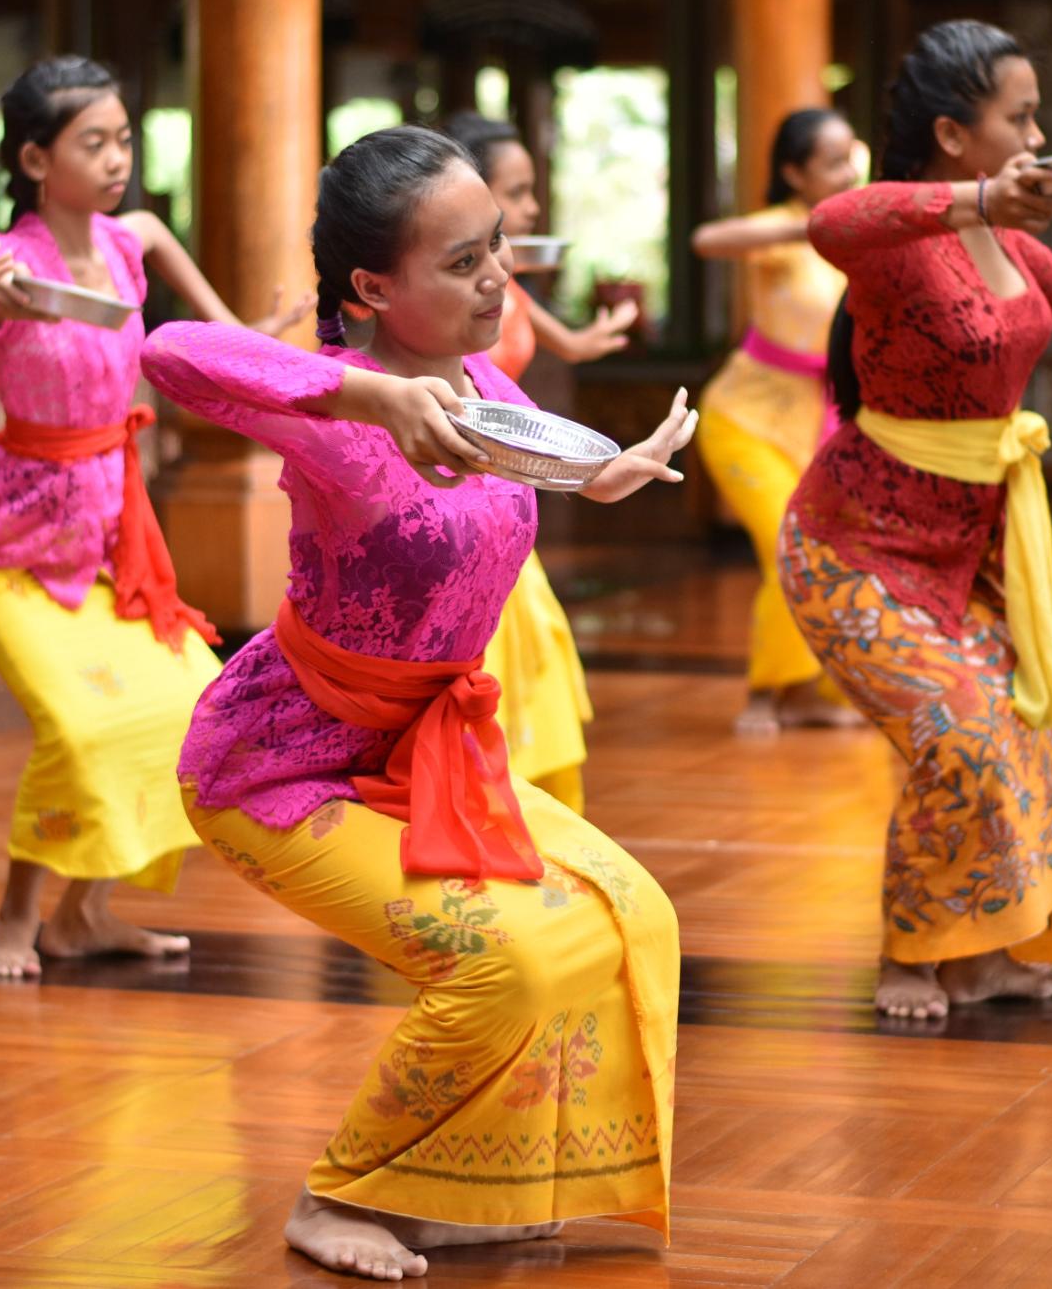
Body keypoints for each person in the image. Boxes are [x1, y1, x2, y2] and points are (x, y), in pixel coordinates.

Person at [141, 125, 691, 1280]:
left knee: (633, 911)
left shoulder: (488, 383)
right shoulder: (339, 422)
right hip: (280, 769)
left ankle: (473, 1185)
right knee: (508, 962)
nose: (499, 278)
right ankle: (337, 1193)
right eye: (462, 263)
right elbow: (176, 351)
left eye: (497, 247)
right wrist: (368, 393)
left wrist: (603, 470)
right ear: (372, 289)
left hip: (418, 750)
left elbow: (525, 466)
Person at [781, 20, 1052, 1021]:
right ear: (954, 136)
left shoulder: (1003, 234)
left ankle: (993, 948)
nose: (1041, 131)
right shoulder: (895, 241)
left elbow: (1047, 294)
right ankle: (913, 954)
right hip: (855, 551)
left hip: (969, 547)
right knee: (960, 730)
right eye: (1020, 116)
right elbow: (833, 218)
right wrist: (972, 200)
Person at [0, 56, 311, 979]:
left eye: (123, 140)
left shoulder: (133, 238)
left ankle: (83, 915)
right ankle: (18, 921)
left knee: (193, 703)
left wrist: (268, 336)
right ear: (33, 158)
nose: (116, 160)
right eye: (91, 142)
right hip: (5, 544)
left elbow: (219, 340)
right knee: (78, 727)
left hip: (109, 537)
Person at [438, 112, 632, 811]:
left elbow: (571, 347)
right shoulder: (443, 301)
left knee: (537, 658)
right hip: (463, 509)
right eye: (515, 194)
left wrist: (601, 332)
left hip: (509, 503)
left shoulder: (506, 288)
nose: (531, 208)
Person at [691, 107, 864, 735]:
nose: (849, 172)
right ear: (794, 173)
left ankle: (807, 694)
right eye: (833, 162)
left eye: (852, 157)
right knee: (788, 546)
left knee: (824, 553)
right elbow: (707, 241)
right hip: (746, 419)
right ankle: (767, 693)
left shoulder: (854, 232)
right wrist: (803, 232)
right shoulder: (780, 230)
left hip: (818, 422)